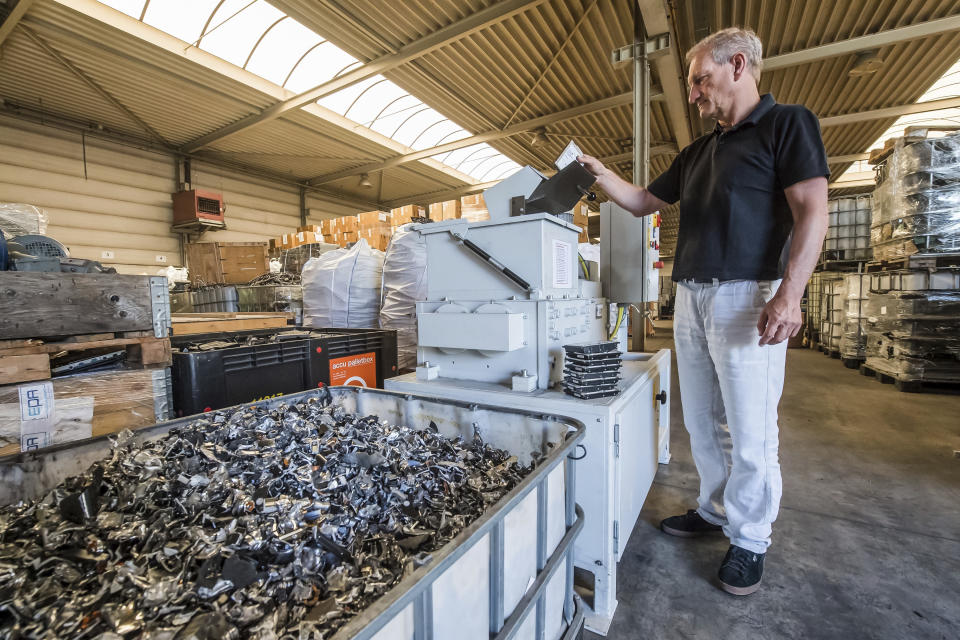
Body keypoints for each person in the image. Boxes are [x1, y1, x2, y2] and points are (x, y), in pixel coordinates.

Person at [579, 27, 828, 596]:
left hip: (749, 295)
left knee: (751, 428)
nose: (693, 94)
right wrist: (597, 174)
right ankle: (715, 511)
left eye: (700, 80)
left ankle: (750, 538)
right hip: (691, 296)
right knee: (700, 423)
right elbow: (644, 201)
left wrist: (790, 294)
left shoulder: (787, 124)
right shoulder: (698, 152)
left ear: (738, 65)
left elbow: (814, 209)